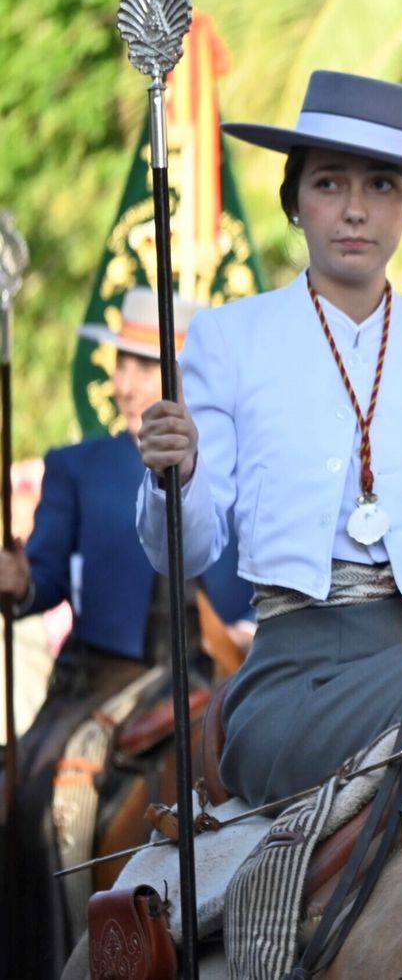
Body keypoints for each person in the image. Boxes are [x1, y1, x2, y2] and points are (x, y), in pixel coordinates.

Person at [135, 71, 402, 807]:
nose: (355, 211)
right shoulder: (230, 338)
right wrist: (180, 472)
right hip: (294, 682)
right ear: (294, 202)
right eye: (329, 184)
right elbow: (183, 552)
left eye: (383, 186)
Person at [0, 287, 255, 977]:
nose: (123, 379)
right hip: (103, 678)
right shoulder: (76, 464)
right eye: (120, 361)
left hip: (215, 669)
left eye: (144, 364)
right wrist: (20, 582)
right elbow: (44, 576)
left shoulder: (232, 458)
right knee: (37, 793)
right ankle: (48, 956)